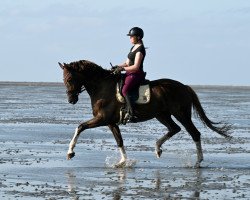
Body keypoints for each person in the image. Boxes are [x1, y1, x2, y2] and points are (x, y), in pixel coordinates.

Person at [114, 27, 146, 122]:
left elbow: (136, 67)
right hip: (129, 72)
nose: (130, 38)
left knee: (124, 90)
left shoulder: (140, 50)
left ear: (138, 37)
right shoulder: (133, 47)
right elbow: (127, 63)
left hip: (136, 74)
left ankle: (132, 114)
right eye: (130, 36)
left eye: (132, 36)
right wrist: (117, 66)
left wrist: (122, 69)